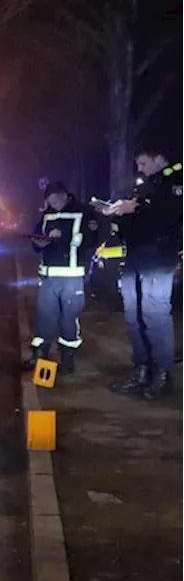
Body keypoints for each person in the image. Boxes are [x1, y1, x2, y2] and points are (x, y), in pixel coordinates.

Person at [102, 144, 184, 399]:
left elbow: (164, 219)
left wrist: (134, 209)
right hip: (135, 256)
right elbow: (131, 225)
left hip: (158, 258)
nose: (140, 169)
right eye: (138, 165)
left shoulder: (174, 184)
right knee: (133, 316)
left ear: (160, 158)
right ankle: (142, 370)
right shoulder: (145, 187)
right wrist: (115, 214)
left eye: (144, 164)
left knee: (155, 316)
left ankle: (162, 375)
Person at [25, 181, 100, 375]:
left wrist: (63, 236)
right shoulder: (47, 213)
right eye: (50, 202)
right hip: (49, 275)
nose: (54, 205)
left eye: (56, 200)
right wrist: (39, 243)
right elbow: (37, 235)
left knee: (69, 318)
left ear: (65, 195)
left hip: (72, 276)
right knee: (44, 316)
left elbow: (92, 239)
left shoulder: (84, 212)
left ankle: (67, 359)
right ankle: (39, 355)